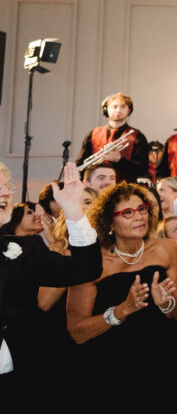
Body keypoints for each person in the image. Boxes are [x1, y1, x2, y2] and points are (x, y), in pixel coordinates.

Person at [65, 182, 177, 411]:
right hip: (109, 368)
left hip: (162, 362)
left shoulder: (167, 249)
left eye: (142, 209)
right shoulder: (91, 262)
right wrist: (121, 310)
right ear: (109, 221)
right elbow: (77, 332)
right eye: (128, 213)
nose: (139, 217)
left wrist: (166, 304)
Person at [0, 163, 102, 408]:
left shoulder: (27, 249)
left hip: (14, 381)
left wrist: (73, 211)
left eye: (7, 186)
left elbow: (85, 269)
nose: (5, 192)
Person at [76, 92, 149, 184]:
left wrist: (119, 160)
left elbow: (142, 169)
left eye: (123, 107)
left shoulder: (138, 136)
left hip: (125, 189)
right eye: (114, 107)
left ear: (128, 111)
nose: (118, 110)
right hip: (95, 189)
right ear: (106, 110)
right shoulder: (92, 134)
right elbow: (80, 164)